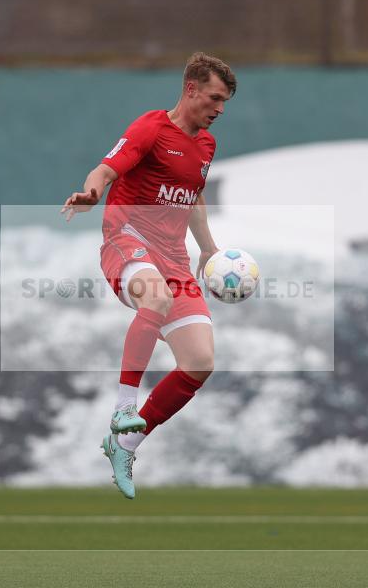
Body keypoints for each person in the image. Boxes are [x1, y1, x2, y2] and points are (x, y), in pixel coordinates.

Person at [60, 52, 236, 499]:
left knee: (200, 363)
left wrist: (209, 248)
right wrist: (92, 194)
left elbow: (192, 196)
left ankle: (125, 443)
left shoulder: (207, 146)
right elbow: (105, 169)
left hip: (174, 258)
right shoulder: (151, 128)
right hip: (127, 239)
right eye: (214, 98)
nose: (219, 109)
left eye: (225, 102)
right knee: (153, 298)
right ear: (191, 88)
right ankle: (124, 408)